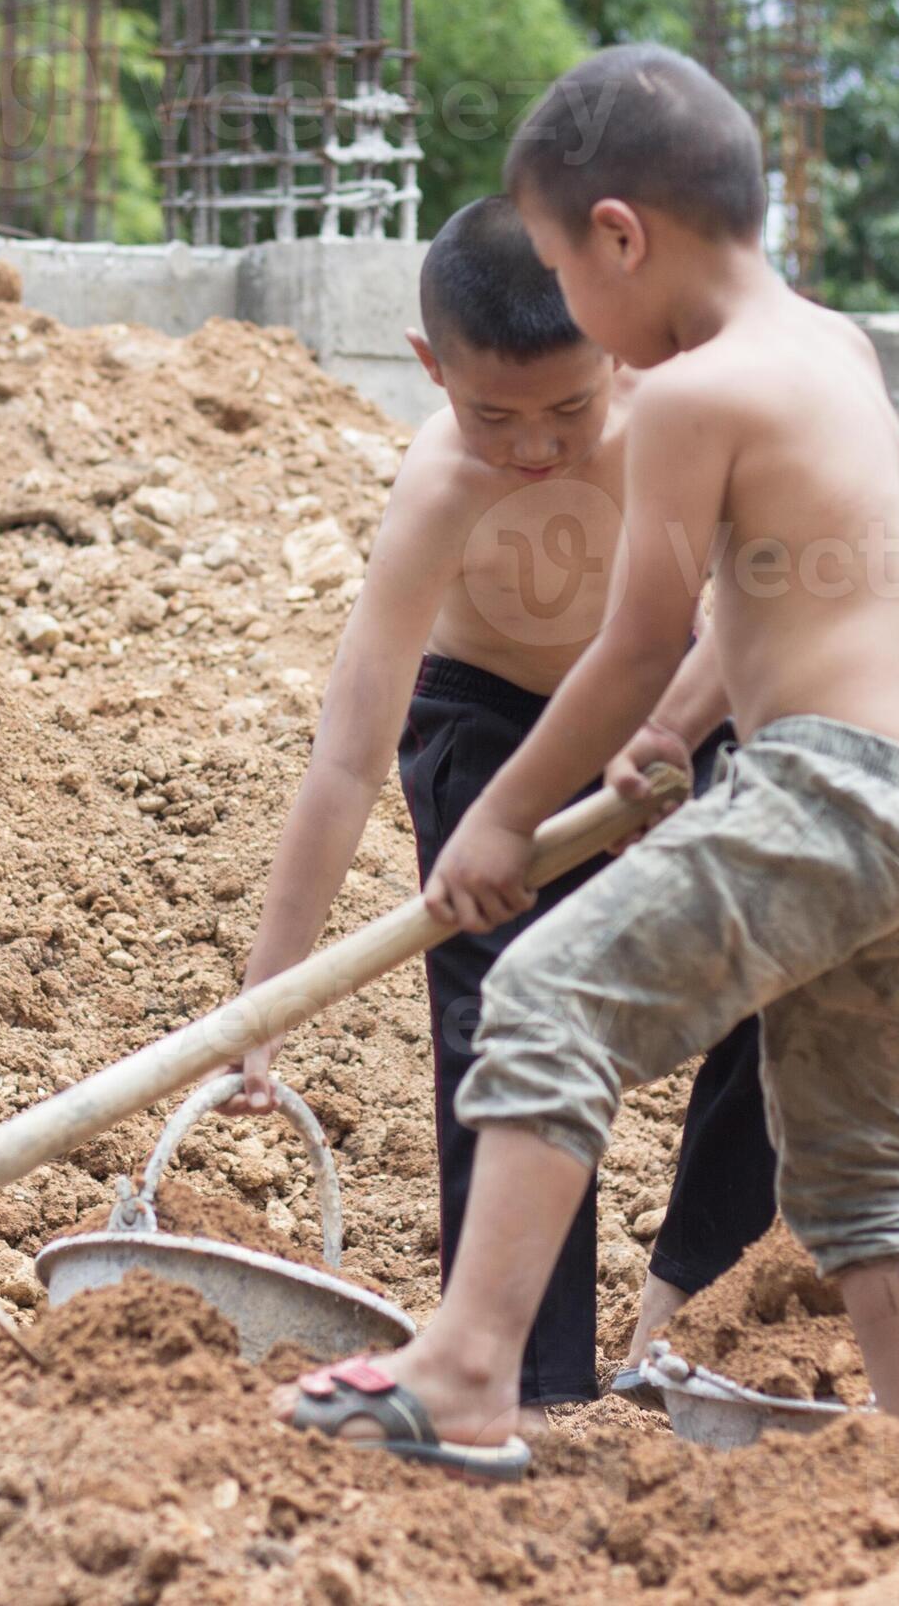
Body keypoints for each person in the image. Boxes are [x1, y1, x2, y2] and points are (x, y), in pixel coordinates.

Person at [278, 45, 899, 1479]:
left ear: (620, 237)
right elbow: (798, 592)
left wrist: (500, 817)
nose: (579, 318)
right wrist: (678, 729)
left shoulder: (683, 395)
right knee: (859, 1155)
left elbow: (630, 642)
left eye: (568, 270)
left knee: (540, 998)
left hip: (828, 792)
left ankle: (472, 1367)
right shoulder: (830, 349)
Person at [229, 192, 778, 1417]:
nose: (535, 449)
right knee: (502, 1018)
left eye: (568, 409)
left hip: (676, 707)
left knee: (786, 956)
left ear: (615, 345)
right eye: (495, 417)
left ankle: (689, 1322)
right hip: (489, 729)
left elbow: (755, 608)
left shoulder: (673, 423)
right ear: (431, 370)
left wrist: (664, 733)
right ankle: (531, 1385)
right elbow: (347, 757)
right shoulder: (436, 495)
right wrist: (267, 1000)